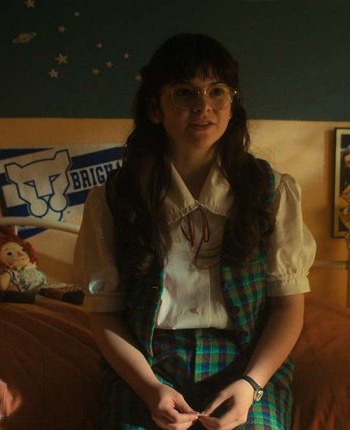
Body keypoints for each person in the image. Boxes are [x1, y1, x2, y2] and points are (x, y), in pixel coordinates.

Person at [74, 33, 316, 429]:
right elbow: (105, 315)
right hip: (148, 363)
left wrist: (251, 385)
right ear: (156, 107)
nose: (203, 106)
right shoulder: (115, 199)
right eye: (184, 93)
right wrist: (150, 388)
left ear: (232, 103)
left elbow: (288, 307)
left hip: (246, 364)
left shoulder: (271, 191)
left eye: (217, 91)